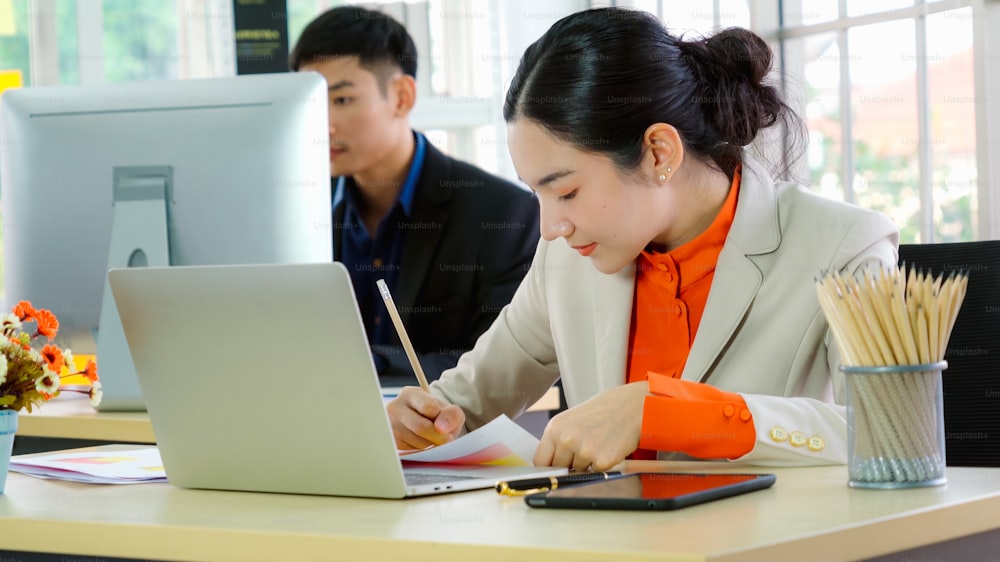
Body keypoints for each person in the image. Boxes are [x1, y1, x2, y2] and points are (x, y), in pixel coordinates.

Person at [387, 7, 899, 470]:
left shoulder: (846, 245)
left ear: (658, 153)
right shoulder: (565, 259)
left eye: (565, 191)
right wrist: (417, 419)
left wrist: (664, 412)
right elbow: (465, 405)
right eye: (536, 194)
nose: (549, 227)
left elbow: (891, 433)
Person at [289, 7, 540, 384]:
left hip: (439, 435)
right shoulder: (296, 210)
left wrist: (372, 362)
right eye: (311, 102)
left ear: (402, 97)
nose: (322, 124)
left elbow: (505, 367)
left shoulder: (503, 214)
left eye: (341, 100)